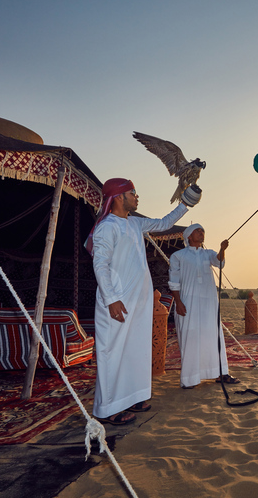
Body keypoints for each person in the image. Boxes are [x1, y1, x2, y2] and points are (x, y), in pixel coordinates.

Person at [88, 178, 197, 425]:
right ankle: (107, 409)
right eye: (133, 193)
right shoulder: (107, 226)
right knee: (113, 352)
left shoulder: (135, 223)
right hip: (116, 302)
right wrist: (111, 299)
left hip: (138, 302)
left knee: (136, 349)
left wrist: (186, 203)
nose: (137, 197)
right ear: (118, 197)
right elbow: (100, 264)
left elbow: (164, 223)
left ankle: (133, 397)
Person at [168, 224, 238, 389]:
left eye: (203, 231)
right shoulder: (178, 256)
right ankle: (190, 379)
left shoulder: (208, 253)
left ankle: (221, 373)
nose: (202, 233)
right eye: (198, 230)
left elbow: (219, 263)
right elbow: (174, 280)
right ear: (188, 236)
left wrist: (222, 250)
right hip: (187, 301)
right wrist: (178, 302)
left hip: (208, 301)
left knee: (214, 336)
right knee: (190, 337)